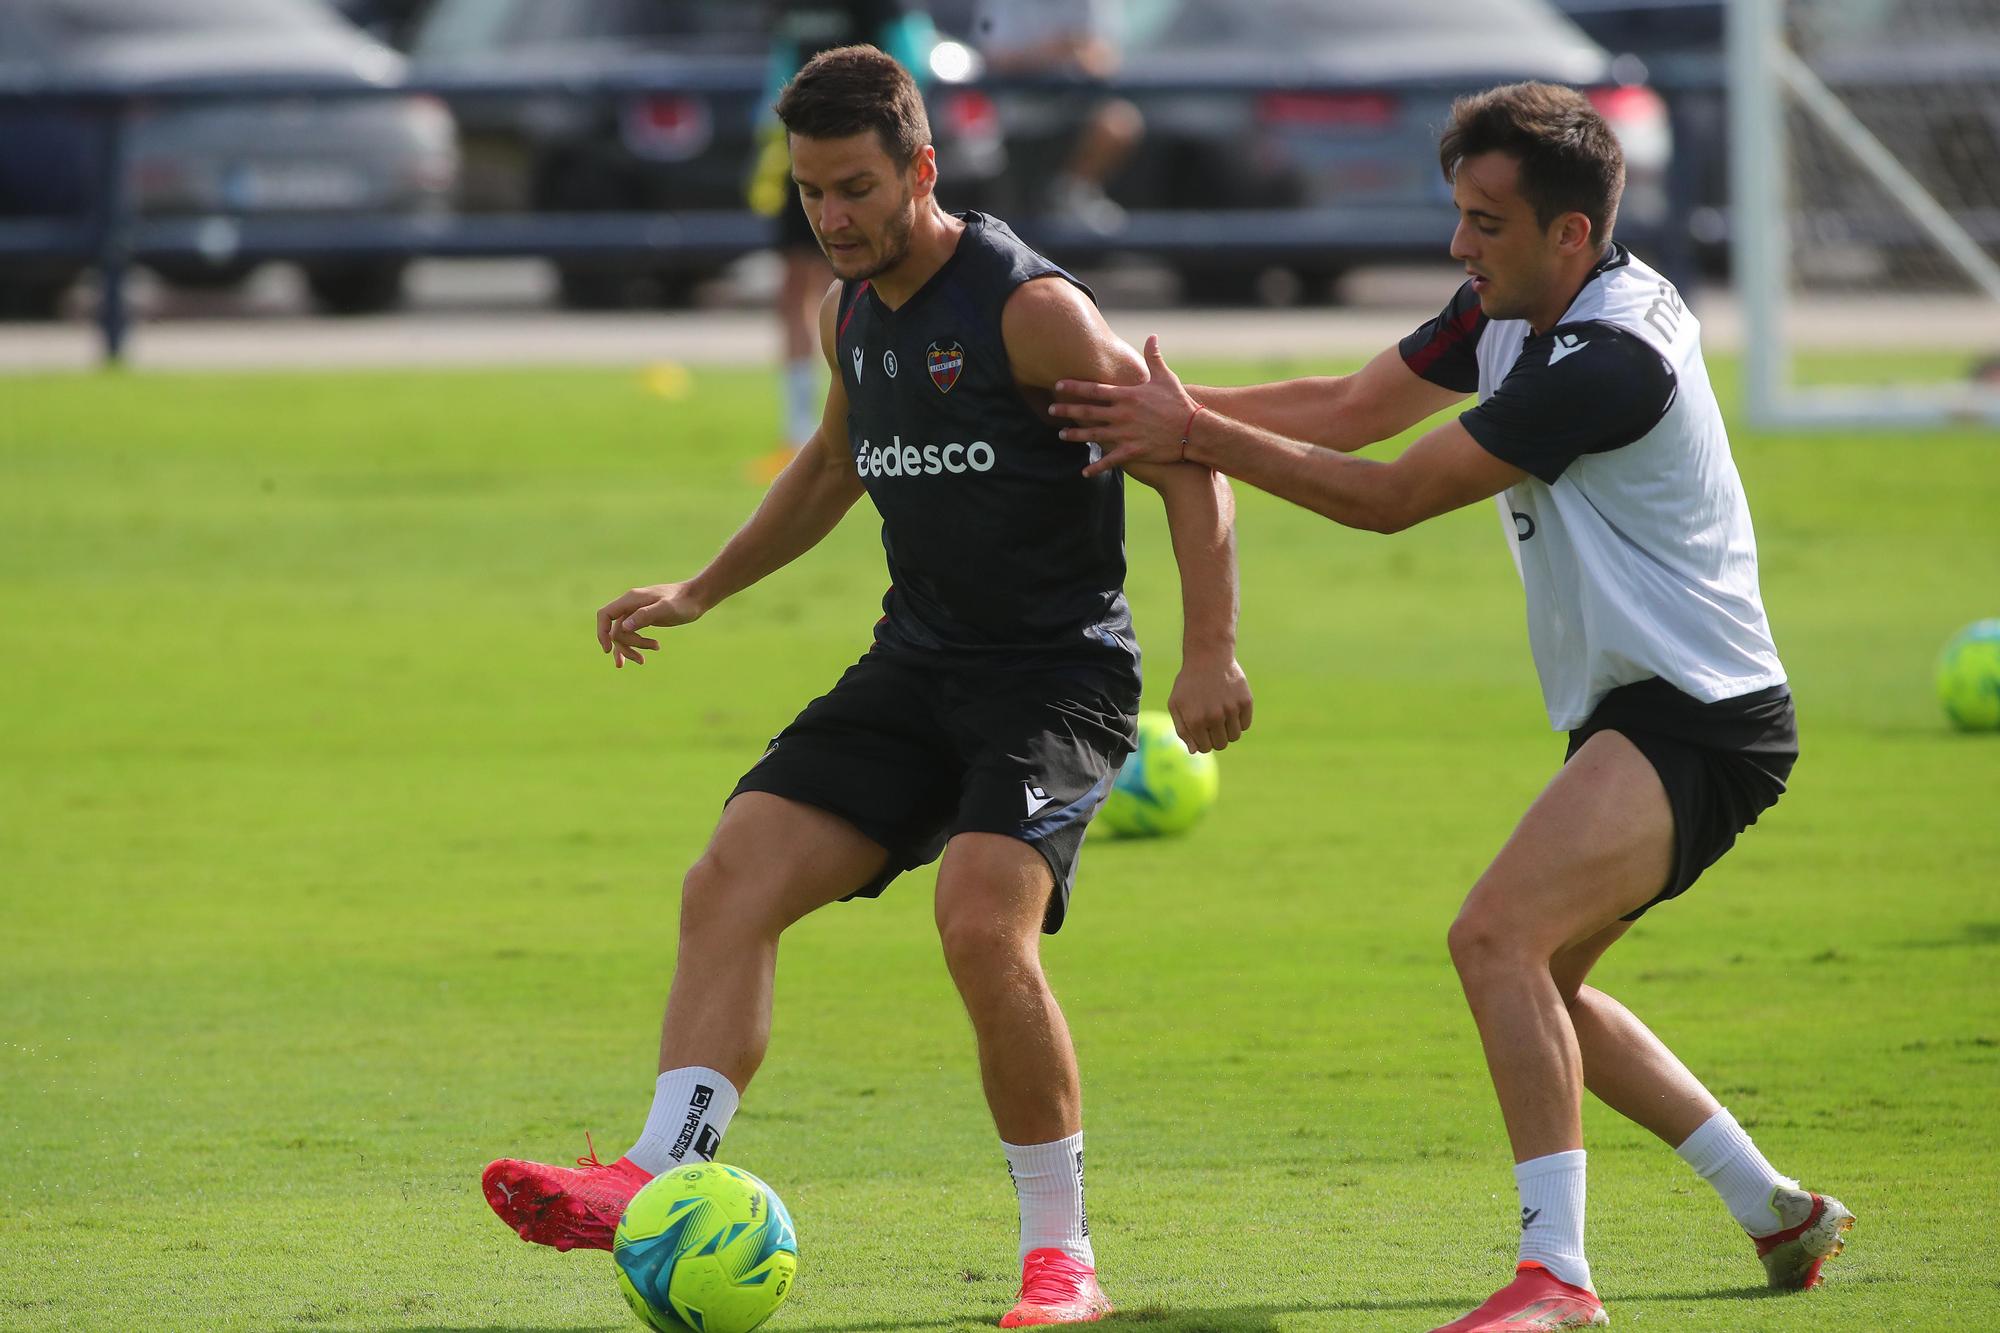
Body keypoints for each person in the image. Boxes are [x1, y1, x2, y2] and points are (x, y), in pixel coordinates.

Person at [1049, 81, 1851, 1333]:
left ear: (1569, 235)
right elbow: (1351, 409)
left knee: (1493, 942)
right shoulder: (1511, 309)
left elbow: (1386, 496)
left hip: (1702, 715)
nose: (1456, 247)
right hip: (1640, 711)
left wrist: (1187, 428)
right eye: (1459, 215)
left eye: (1484, 222)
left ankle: (1557, 1280)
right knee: (1549, 987)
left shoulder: (1608, 355)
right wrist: (1143, 417)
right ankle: (1772, 1207)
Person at [483, 44, 1254, 1330]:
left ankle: (1060, 1260)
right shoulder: (850, 311)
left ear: (920, 171)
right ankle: (653, 1172)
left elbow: (1187, 462)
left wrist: (1210, 649)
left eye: (854, 188)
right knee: (729, 877)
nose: (831, 218)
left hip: (1053, 677)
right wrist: (702, 587)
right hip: (918, 660)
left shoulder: (1028, 308)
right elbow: (834, 462)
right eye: (811, 194)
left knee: (974, 923)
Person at [748, 1, 937, 479]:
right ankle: (796, 427)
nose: (831, 217)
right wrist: (776, 132)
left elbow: (911, 63)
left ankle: (921, 421)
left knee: (893, 283)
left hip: (869, 151)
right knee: (797, 288)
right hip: (811, 148)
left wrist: (879, 134)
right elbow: (782, 63)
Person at [970, 0, 1142, 235]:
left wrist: (1068, 54)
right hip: (1018, 129)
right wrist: (1054, 52)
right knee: (1014, 235)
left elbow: (1106, 58)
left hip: (1075, 115)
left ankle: (1072, 194)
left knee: (1120, 120)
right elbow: (994, 58)